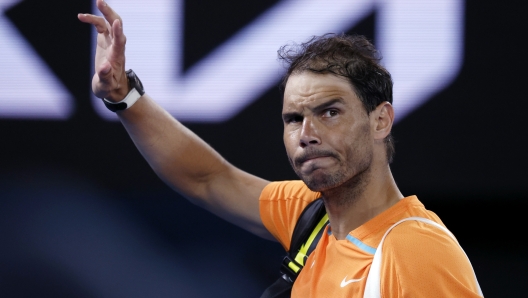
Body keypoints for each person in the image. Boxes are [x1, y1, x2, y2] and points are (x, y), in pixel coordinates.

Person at [78, 1, 483, 297]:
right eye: (294, 119)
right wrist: (124, 97)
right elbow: (208, 179)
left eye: (330, 112)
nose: (307, 133)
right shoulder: (311, 215)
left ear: (381, 120)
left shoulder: (415, 252)